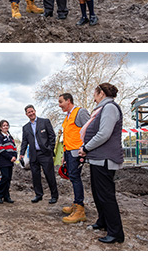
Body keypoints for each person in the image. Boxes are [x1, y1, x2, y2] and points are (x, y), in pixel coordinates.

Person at [78, 83, 125, 244]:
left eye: (95, 93)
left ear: (102, 93)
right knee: (98, 194)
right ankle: (103, 221)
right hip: (97, 159)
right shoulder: (102, 108)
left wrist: (86, 147)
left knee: (106, 195)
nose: (93, 96)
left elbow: (104, 133)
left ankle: (116, 233)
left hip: (105, 159)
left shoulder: (110, 108)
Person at [58, 93, 90, 223]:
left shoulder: (80, 112)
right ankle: (76, 204)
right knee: (72, 177)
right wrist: (64, 155)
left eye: (61, 102)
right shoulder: (68, 116)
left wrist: (85, 148)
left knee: (75, 178)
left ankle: (80, 209)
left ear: (68, 101)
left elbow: (90, 129)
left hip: (77, 152)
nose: (59, 105)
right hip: (69, 152)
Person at [19, 104, 58, 204]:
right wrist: (21, 154)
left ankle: (54, 195)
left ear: (35, 111)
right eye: (29, 112)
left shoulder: (44, 122)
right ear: (26, 114)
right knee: (35, 176)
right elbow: (24, 142)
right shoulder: (26, 127)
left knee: (49, 175)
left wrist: (50, 149)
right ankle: (38, 195)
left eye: (32, 111)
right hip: (33, 154)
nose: (31, 113)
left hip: (45, 153)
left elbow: (52, 136)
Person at [0, 120, 17, 203]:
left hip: (10, 162)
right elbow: (0, 149)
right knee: (5, 178)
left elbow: (14, 148)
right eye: (4, 125)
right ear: (0, 127)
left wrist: (15, 156)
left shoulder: (10, 137)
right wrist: (10, 157)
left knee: (8, 179)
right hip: (3, 161)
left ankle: (6, 196)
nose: (5, 127)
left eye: (7, 125)